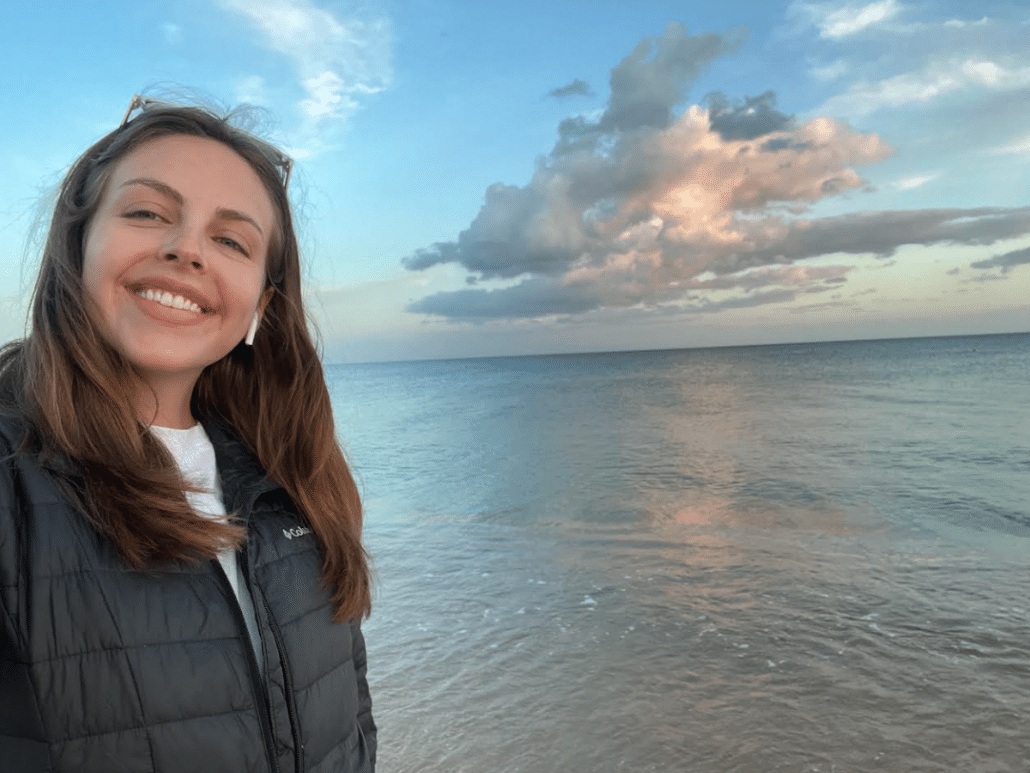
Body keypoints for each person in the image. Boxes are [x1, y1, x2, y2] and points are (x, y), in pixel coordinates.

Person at [0, 96, 376, 772]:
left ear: (261, 303)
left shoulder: (292, 483)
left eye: (232, 240)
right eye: (147, 212)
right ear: (77, 243)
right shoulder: (11, 473)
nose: (186, 250)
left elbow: (352, 733)